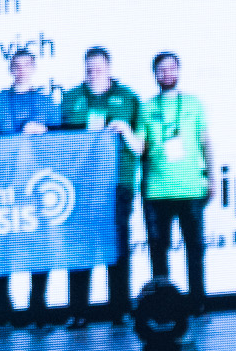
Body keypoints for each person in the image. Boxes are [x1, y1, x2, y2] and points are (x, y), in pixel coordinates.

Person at [59, 47, 144, 328]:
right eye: (89, 68)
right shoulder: (71, 98)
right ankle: (78, 311)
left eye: (99, 68)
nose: (94, 72)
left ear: (109, 68)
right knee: (79, 245)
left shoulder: (128, 98)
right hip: (81, 185)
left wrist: (125, 130)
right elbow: (58, 143)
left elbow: (140, 144)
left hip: (118, 183)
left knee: (117, 244)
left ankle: (120, 309)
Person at [0, 48, 59, 327]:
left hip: (38, 187)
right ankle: (2, 311)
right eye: (17, 65)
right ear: (10, 69)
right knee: (1, 247)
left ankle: (38, 306)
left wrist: (46, 133)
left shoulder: (47, 102)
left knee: (39, 246)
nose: (22, 70)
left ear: (34, 68)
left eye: (27, 65)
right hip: (3, 186)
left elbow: (62, 144)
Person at [142, 52, 213, 302]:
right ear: (154, 74)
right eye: (161, 69)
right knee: (158, 252)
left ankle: (198, 302)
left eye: (171, 68)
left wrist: (212, 178)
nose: (167, 73)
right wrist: (124, 130)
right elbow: (141, 147)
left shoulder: (194, 104)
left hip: (190, 188)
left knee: (195, 249)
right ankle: (163, 304)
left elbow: (205, 142)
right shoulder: (146, 107)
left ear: (179, 71)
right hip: (157, 191)